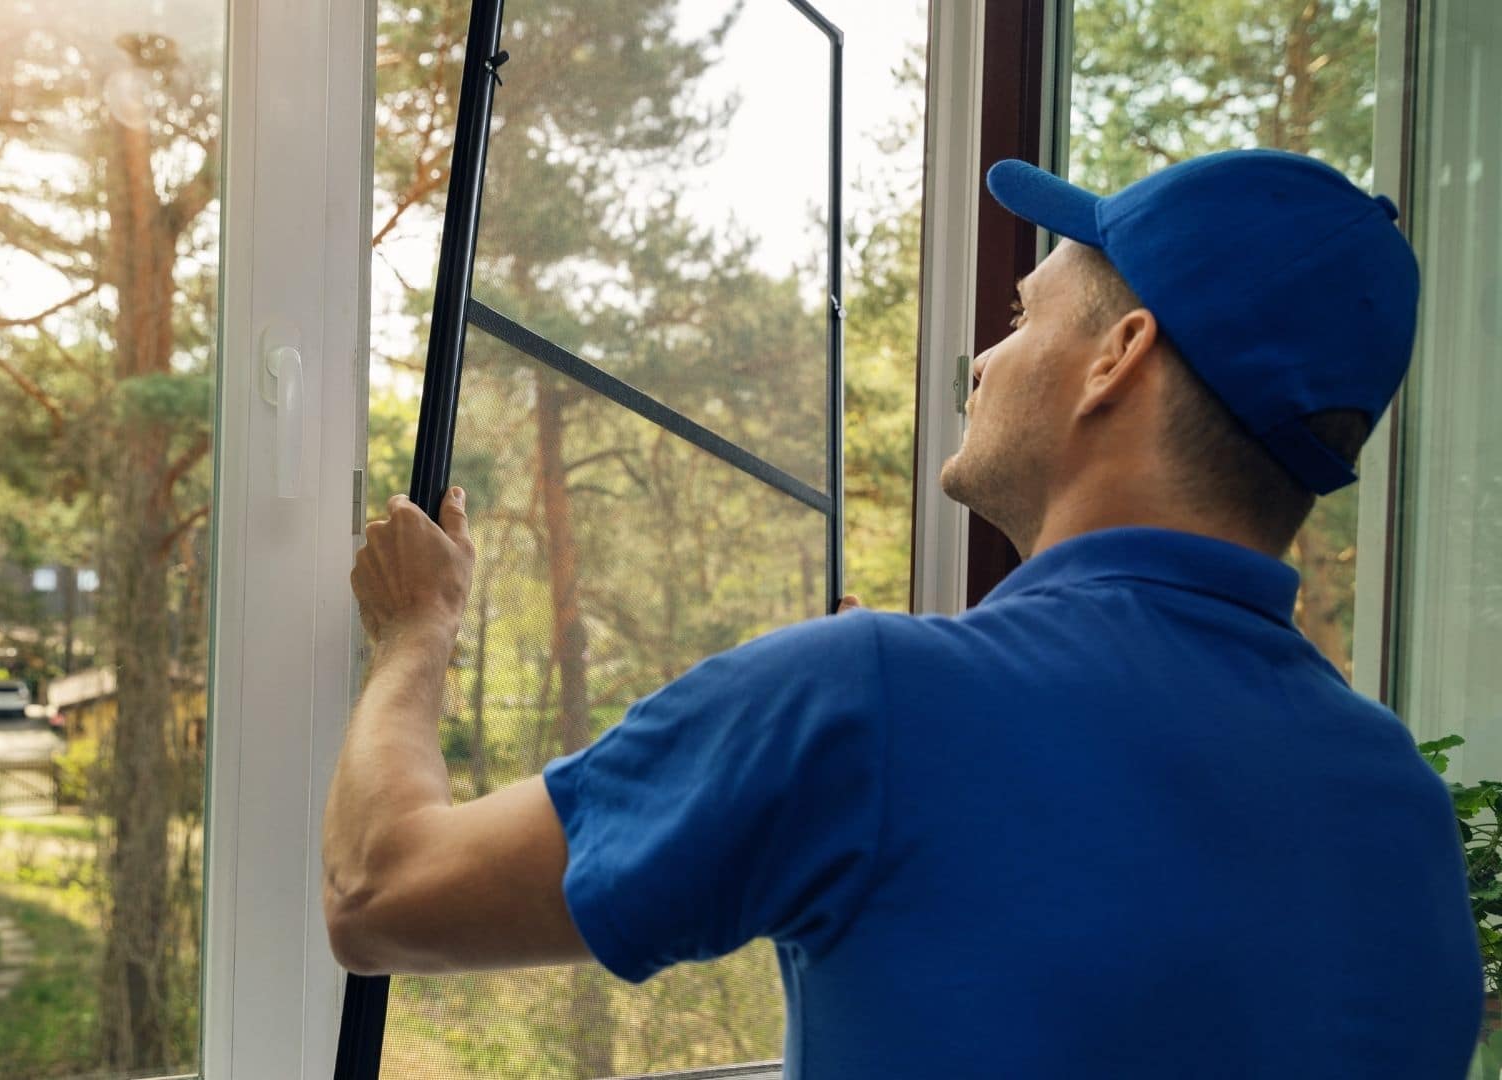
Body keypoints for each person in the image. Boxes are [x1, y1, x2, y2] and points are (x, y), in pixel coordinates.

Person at [323, 149, 1483, 1078]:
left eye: (1028, 316)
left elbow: (381, 893)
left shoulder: (870, 703)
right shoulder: (1405, 813)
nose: (986, 357)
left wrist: (418, 631)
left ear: (1118, 356)